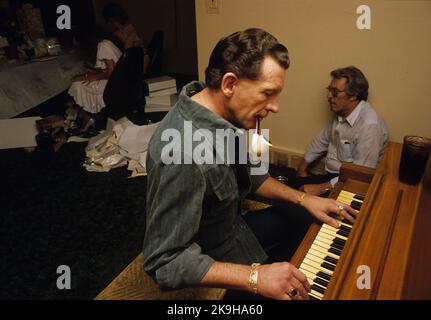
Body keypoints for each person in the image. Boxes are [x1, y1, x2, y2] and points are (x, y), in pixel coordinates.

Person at [143, 28, 357, 300]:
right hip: (211, 256)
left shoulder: (226, 114)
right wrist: (257, 277)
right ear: (230, 84)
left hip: (234, 228)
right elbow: (163, 262)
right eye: (268, 93)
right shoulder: (182, 153)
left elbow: (253, 178)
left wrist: (304, 199)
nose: (276, 106)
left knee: (309, 218)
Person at [293, 67, 389, 196]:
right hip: (331, 178)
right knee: (288, 187)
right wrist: (301, 169)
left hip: (349, 184)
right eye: (329, 90)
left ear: (354, 95)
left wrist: (321, 188)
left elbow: (359, 175)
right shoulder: (340, 112)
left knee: (294, 206)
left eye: (335, 92)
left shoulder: (369, 126)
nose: (329, 96)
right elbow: (321, 141)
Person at [67, 29, 122, 133]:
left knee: (77, 85)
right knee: (80, 81)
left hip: (116, 82)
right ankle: (90, 117)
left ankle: (89, 118)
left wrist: (95, 77)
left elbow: (111, 71)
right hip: (118, 79)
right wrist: (95, 74)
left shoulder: (103, 45)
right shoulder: (107, 42)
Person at [102, 3, 150, 71]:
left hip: (139, 59)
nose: (109, 23)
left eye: (111, 21)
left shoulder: (129, 28)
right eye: (108, 21)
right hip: (129, 59)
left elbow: (134, 46)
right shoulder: (115, 33)